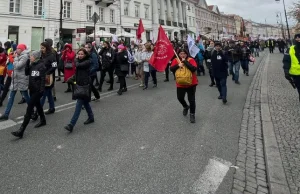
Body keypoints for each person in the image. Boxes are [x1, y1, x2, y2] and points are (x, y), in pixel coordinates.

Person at [11, 51, 47, 138]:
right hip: (32, 89)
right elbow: (27, 73)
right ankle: (43, 120)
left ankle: (21, 130)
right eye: (30, 56)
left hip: (38, 90)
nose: (30, 57)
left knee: (29, 108)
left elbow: (43, 79)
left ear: (36, 57)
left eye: (31, 56)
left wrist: (41, 90)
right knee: (38, 105)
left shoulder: (41, 66)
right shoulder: (32, 64)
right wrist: (27, 64)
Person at [65, 49, 94, 132]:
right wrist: (72, 78)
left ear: (85, 55)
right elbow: (78, 72)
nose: (80, 55)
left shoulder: (87, 62)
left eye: (82, 54)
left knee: (78, 105)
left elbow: (78, 65)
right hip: (79, 84)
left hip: (84, 85)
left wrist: (76, 59)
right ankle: (91, 117)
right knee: (85, 103)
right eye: (79, 54)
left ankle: (71, 124)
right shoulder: (79, 61)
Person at [0, 44, 30, 121]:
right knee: (10, 97)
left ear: (22, 49)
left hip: (22, 79)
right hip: (14, 78)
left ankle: (32, 111)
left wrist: (14, 58)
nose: (16, 50)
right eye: (16, 49)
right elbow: (10, 66)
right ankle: (6, 114)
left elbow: (18, 66)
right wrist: (9, 63)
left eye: (18, 48)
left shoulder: (25, 56)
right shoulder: (14, 56)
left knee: (26, 97)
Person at [170, 49, 198, 123]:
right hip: (180, 83)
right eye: (181, 54)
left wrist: (185, 62)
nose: (182, 55)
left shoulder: (191, 60)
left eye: (184, 54)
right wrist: (178, 65)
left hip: (191, 83)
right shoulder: (175, 60)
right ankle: (185, 106)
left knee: (191, 100)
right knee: (180, 98)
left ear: (186, 54)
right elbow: (171, 69)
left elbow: (194, 69)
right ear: (178, 54)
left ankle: (192, 114)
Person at [283, 33, 300, 102]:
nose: (298, 39)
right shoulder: (290, 49)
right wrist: (286, 72)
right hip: (296, 74)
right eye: (297, 38)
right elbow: (286, 61)